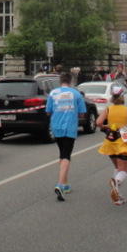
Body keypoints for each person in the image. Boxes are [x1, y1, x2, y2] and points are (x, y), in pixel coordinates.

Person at [45, 72, 86, 201]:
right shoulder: (76, 94)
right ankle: (59, 184)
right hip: (69, 127)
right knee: (66, 155)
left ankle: (65, 183)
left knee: (62, 154)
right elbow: (82, 114)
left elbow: (48, 112)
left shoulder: (53, 94)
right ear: (70, 81)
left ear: (60, 81)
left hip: (56, 127)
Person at [97, 84, 127, 205]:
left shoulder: (108, 109)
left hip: (110, 141)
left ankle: (118, 196)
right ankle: (116, 182)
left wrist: (106, 128)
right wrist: (126, 129)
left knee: (117, 168)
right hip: (122, 142)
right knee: (124, 170)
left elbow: (98, 122)